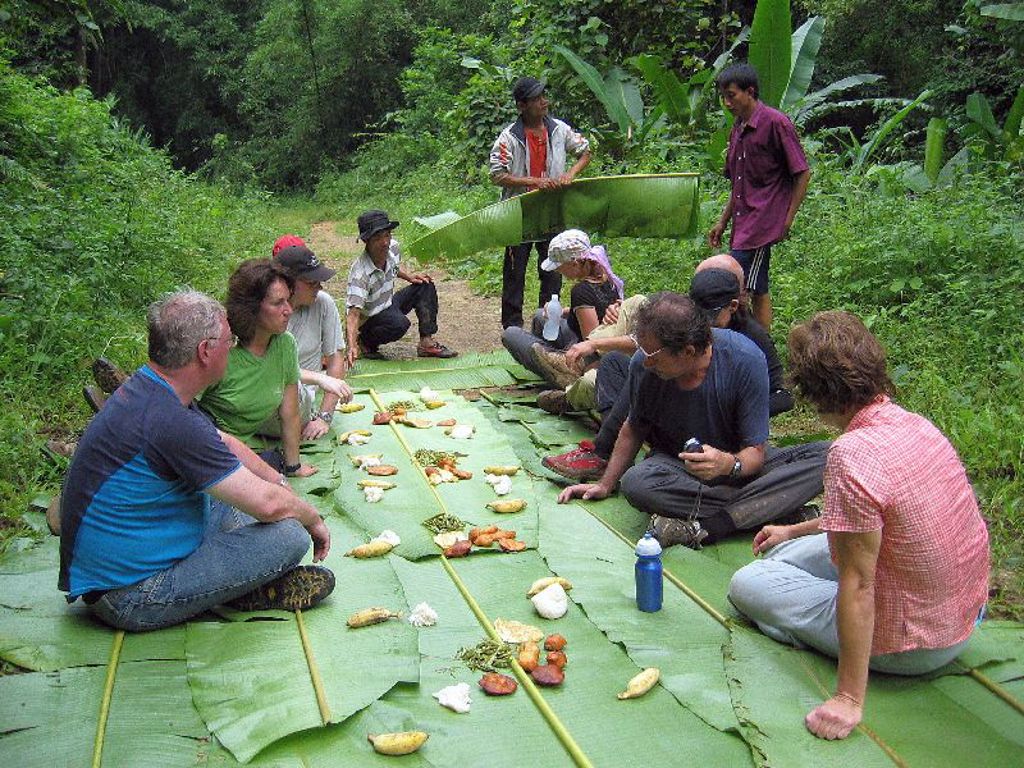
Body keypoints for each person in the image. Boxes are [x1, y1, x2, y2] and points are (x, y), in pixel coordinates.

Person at [729, 311, 989, 740]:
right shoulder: (912, 422)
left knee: (748, 583)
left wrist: (848, 699)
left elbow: (859, 582)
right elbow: (878, 519)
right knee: (780, 552)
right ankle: (800, 600)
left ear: (815, 393)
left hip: (918, 646)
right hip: (961, 612)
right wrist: (793, 530)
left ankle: (806, 633)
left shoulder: (851, 453)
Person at [58, 291, 334, 631]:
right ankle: (237, 589)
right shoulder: (170, 421)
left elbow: (222, 442)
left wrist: (276, 480)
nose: (232, 349)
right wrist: (312, 518)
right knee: (290, 536)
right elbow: (268, 506)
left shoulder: (155, 388)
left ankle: (233, 583)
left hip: (138, 545)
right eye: (228, 341)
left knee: (242, 500)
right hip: (131, 595)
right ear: (205, 352)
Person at [557, 292, 828, 549]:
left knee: (829, 456)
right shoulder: (644, 363)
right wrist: (605, 484)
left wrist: (727, 464)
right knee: (637, 483)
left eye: (653, 356)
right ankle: (770, 507)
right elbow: (633, 428)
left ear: (687, 351)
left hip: (739, 466)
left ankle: (715, 523)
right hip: (680, 468)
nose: (645, 362)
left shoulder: (745, 359)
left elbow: (754, 454)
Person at [543, 258, 793, 480]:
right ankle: (604, 451)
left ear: (734, 306)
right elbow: (635, 421)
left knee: (811, 460)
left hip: (724, 439)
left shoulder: (749, 348)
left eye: (711, 315)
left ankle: (732, 503)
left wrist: (741, 416)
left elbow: (778, 402)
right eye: (698, 313)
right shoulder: (663, 348)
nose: (705, 324)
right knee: (619, 367)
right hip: (674, 422)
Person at [708, 63, 810, 330]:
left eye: (732, 95)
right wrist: (722, 221)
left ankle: (758, 346)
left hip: (763, 222)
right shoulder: (738, 129)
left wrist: (787, 220)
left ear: (750, 92)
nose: (727, 102)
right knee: (750, 285)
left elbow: (802, 172)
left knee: (740, 285)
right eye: (723, 97)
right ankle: (757, 344)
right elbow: (739, 184)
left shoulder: (775, 123)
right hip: (743, 223)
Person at [198, 260, 317, 478]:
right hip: (208, 449)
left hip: (246, 452)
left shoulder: (285, 344)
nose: (288, 310)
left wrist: (294, 467)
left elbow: (289, 413)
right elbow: (180, 405)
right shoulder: (223, 348)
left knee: (272, 467)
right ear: (252, 307)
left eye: (288, 301)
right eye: (277, 303)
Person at [490, 76, 591, 330]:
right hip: (519, 213)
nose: (544, 102)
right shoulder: (509, 138)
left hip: (551, 212)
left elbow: (585, 151)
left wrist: (570, 174)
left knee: (553, 269)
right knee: (515, 271)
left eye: (544, 96)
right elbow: (497, 175)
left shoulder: (559, 129)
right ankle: (512, 327)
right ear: (522, 105)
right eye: (536, 99)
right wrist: (534, 181)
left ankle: (547, 323)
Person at [501, 229, 623, 384]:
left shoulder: (581, 292)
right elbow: (597, 310)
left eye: (559, 267)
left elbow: (593, 342)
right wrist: (565, 311)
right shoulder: (603, 273)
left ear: (574, 263)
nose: (558, 271)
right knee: (540, 315)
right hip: (582, 338)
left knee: (510, 334)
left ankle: (561, 370)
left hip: (588, 357)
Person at [345, 209, 457, 363]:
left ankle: (426, 342)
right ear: (366, 241)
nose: (385, 242)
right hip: (371, 318)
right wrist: (351, 346)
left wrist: (410, 277)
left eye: (387, 235)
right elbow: (353, 315)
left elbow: (394, 266)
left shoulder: (392, 247)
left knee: (425, 284)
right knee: (399, 324)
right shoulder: (360, 274)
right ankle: (365, 342)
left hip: (388, 303)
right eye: (378, 238)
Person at [272, 241, 353, 440]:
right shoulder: (267, 312)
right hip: (268, 394)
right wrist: (321, 378)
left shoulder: (324, 303)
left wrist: (324, 416)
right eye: (311, 282)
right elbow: (271, 370)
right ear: (288, 284)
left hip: (302, 401)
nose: (319, 287)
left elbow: (335, 358)